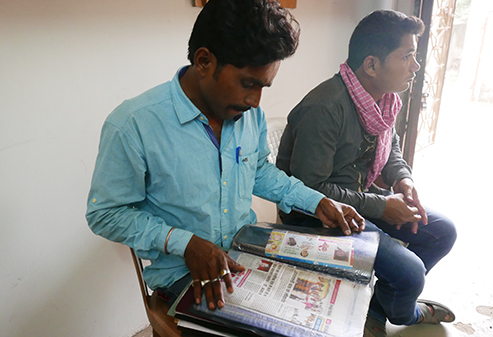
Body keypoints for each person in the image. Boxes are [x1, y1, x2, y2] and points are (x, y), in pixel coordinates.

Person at [86, 0, 365, 313]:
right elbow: (106, 214)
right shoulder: (134, 124)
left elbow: (258, 171)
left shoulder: (248, 115)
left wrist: (316, 201)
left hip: (246, 252)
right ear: (204, 61)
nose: (255, 101)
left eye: (263, 87)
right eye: (248, 84)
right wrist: (186, 243)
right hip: (182, 274)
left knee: (329, 297)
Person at [276, 10, 457, 337]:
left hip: (361, 200)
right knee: (411, 273)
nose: (416, 67)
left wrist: (403, 178)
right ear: (372, 65)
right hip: (319, 214)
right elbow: (310, 190)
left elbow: (392, 146)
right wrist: (382, 206)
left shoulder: (385, 100)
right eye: (408, 56)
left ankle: (376, 307)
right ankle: (406, 314)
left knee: (442, 232)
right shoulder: (324, 108)